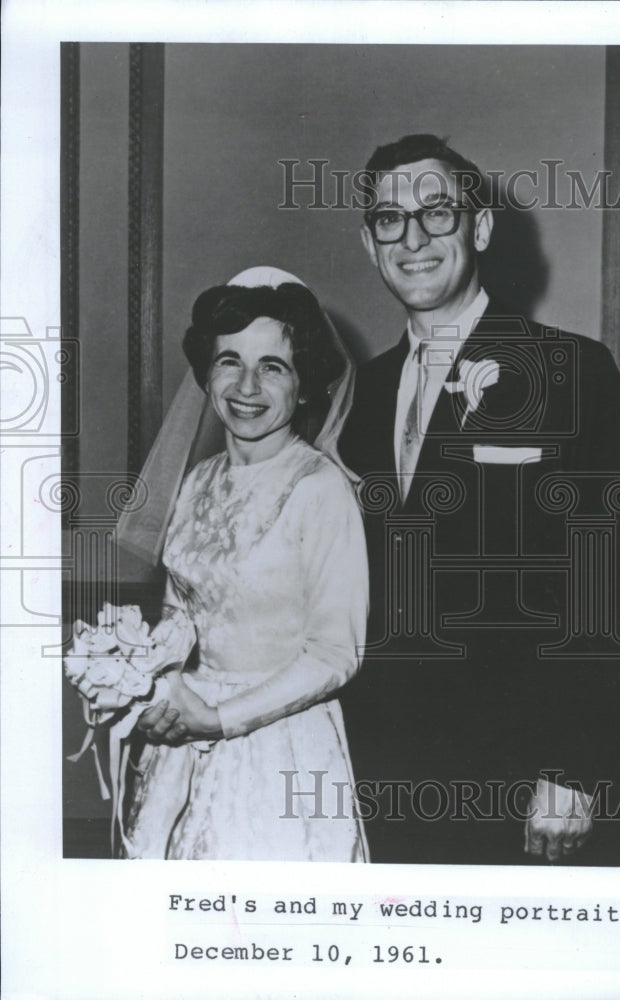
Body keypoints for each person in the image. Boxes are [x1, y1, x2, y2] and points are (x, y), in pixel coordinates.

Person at [337, 134, 620, 866]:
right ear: (368, 243)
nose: (412, 238)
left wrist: (574, 769)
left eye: (436, 213)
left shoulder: (572, 373)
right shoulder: (354, 397)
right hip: (376, 775)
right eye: (389, 219)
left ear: (478, 228)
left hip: (519, 776)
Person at [122, 268, 369, 862]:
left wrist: (221, 718)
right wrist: (143, 685)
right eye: (229, 360)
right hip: (185, 736)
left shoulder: (322, 489)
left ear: (304, 384)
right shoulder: (196, 481)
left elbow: (337, 654)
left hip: (281, 743)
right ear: (207, 375)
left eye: (273, 366)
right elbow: (181, 615)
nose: (247, 385)